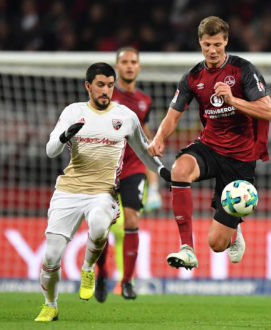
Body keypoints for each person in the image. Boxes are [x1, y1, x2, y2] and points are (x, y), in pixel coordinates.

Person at [34, 62, 170, 322]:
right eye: (100, 85)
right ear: (88, 86)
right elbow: (50, 150)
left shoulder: (125, 116)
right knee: (51, 257)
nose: (106, 90)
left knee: (98, 224)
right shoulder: (73, 112)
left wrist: (164, 173)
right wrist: (64, 136)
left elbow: (144, 151)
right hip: (69, 190)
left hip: (104, 191)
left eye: (110, 85)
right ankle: (50, 305)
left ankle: (88, 268)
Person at [148, 16, 271, 270]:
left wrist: (233, 100)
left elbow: (268, 111)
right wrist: (159, 138)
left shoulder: (243, 70)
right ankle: (186, 248)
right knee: (179, 170)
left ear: (226, 41)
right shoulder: (193, 76)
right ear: (200, 43)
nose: (212, 50)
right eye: (207, 45)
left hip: (240, 158)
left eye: (217, 44)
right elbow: (173, 115)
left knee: (217, 244)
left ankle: (234, 230)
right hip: (210, 146)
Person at [95, 47, 161, 302]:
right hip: (105, 169)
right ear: (117, 66)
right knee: (100, 228)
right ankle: (101, 272)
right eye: (125, 62)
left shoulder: (145, 100)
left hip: (133, 169)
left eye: (134, 62)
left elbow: (145, 139)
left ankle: (127, 282)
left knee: (132, 222)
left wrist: (154, 182)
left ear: (139, 67)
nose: (130, 66)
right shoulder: (106, 97)